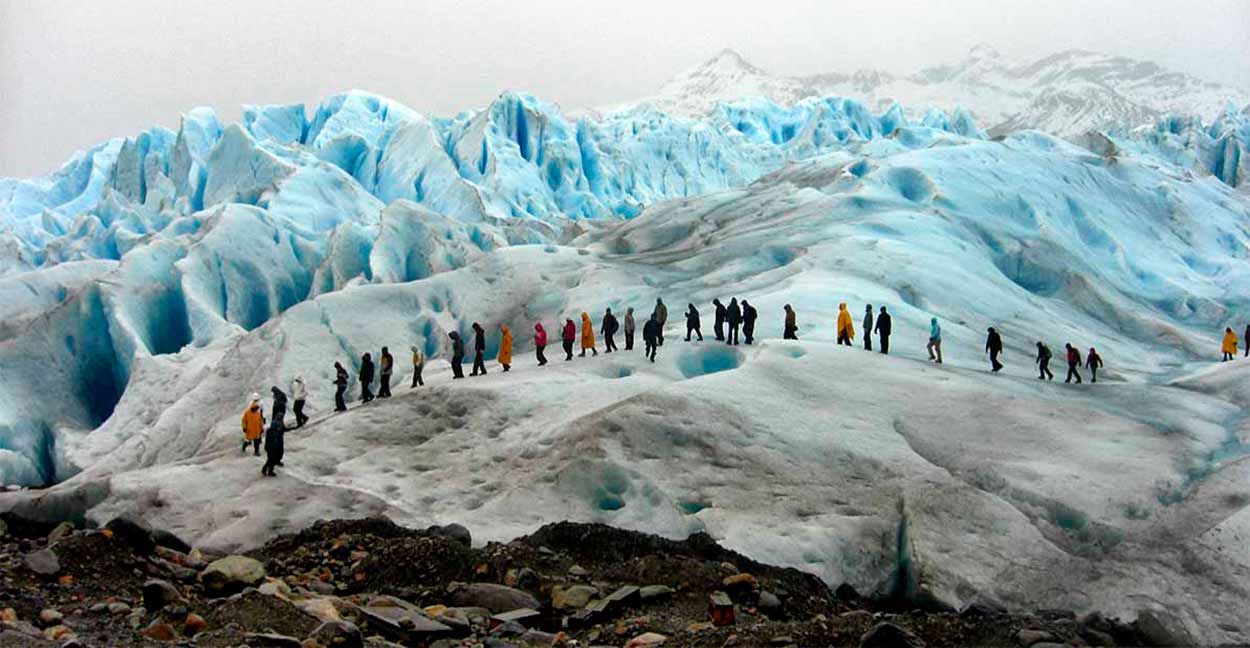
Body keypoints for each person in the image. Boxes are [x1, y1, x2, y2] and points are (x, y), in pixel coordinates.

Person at [262, 386, 287, 476]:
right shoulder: (276, 428)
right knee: (272, 458)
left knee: (271, 458)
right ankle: (268, 470)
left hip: (273, 445)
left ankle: (266, 469)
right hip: (274, 445)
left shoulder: (279, 401)